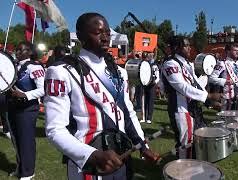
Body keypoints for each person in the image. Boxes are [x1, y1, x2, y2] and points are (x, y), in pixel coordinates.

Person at [44, 13, 159, 180]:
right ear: (81, 36)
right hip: (89, 164)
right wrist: (91, 155)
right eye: (98, 33)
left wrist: (143, 146)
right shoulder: (62, 71)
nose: (105, 38)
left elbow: (127, 114)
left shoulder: (119, 72)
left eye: (107, 33)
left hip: (122, 156)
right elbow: (55, 129)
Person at [161, 35, 221, 159]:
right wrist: (208, 96)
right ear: (177, 47)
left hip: (193, 108)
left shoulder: (187, 64)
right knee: (186, 144)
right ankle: (183, 171)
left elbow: (195, 84)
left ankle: (194, 167)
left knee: (198, 140)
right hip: (181, 109)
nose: (189, 48)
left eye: (189, 45)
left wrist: (208, 101)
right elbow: (181, 86)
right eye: (186, 45)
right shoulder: (170, 64)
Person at [7, 42, 45, 180]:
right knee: (16, 139)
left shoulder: (34, 67)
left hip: (27, 109)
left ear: (29, 52)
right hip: (13, 107)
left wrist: (26, 95)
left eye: (20, 50)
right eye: (16, 49)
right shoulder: (12, 66)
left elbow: (43, 89)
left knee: (26, 140)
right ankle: (21, 167)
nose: (17, 52)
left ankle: (28, 172)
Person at [209, 43, 238, 110]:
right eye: (235, 50)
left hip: (235, 95)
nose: (237, 52)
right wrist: (225, 81)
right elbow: (211, 78)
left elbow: (235, 79)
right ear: (228, 51)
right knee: (226, 118)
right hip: (226, 96)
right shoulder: (222, 63)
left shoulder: (236, 64)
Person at [140, 52, 159, 124]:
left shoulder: (154, 65)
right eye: (144, 57)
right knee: (144, 101)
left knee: (150, 101)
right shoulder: (142, 65)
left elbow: (157, 74)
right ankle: (143, 117)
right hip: (144, 84)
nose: (146, 58)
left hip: (152, 85)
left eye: (147, 57)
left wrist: (156, 82)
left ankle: (149, 117)